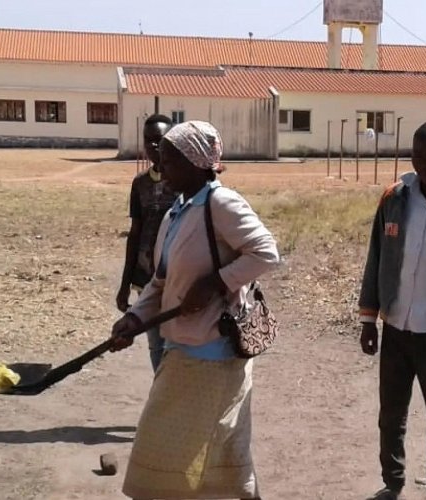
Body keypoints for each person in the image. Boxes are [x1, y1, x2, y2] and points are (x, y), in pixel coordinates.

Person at [110, 120, 279, 499]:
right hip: (181, 351)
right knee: (208, 449)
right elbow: (160, 282)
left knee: (202, 448)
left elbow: (266, 253)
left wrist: (217, 281)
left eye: (168, 158)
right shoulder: (176, 213)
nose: (161, 165)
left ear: (193, 161)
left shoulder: (221, 203)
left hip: (215, 356)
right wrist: (134, 318)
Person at [359, 120, 426, 500]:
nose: (424, 164)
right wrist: (369, 320)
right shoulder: (395, 198)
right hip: (397, 328)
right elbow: (377, 258)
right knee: (391, 413)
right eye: (418, 155)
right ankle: (393, 480)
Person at [116, 114, 176, 372]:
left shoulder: (184, 183)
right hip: (145, 278)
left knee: (177, 341)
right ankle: (161, 394)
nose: (153, 147)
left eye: (159, 141)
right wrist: (125, 284)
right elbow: (135, 233)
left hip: (176, 275)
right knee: (156, 343)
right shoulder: (140, 184)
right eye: (148, 141)